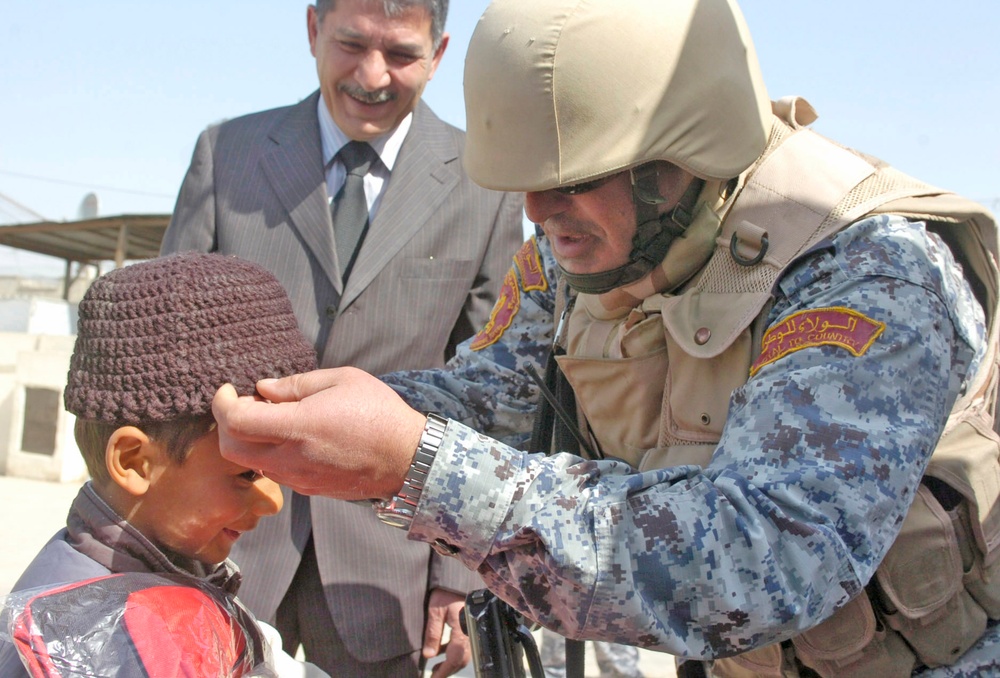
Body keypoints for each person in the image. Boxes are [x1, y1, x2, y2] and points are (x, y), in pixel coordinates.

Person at [208, 0, 1000, 676]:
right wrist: (330, 409)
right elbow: (502, 397)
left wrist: (415, 463)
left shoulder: (871, 272)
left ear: (680, 156)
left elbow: (763, 562)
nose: (536, 212)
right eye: (524, 181)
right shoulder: (585, 248)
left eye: (573, 180)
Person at [159, 0, 525, 675]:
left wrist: (460, 576)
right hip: (218, 547)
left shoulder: (488, 184)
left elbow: (496, 397)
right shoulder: (228, 155)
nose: (373, 75)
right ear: (312, 31)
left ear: (440, 55)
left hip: (389, 573)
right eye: (351, 44)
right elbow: (167, 356)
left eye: (403, 54)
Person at [0, 253, 324, 677]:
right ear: (135, 462)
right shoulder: (110, 645)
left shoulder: (169, 580)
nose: (273, 501)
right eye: (247, 473)